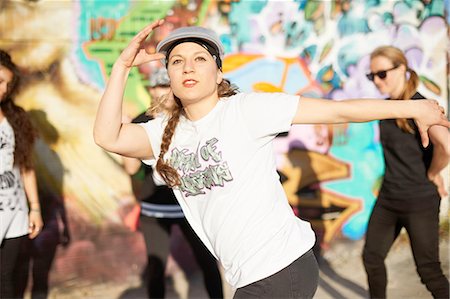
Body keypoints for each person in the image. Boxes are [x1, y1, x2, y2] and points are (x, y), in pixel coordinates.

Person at [93, 20, 449, 298]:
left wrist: (413, 106)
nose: (188, 67)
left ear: (218, 74)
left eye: (200, 59)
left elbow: (340, 111)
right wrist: (122, 67)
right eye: (177, 61)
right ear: (168, 75)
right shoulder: (161, 132)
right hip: (247, 275)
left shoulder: (246, 110)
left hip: (280, 268)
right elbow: (107, 136)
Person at [122, 66, 224, 298]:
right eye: (157, 86)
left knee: (207, 262)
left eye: (167, 86)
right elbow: (131, 169)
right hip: (154, 208)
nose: (162, 92)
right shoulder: (140, 121)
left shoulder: (190, 119)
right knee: (156, 269)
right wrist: (124, 133)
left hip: (190, 206)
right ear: (150, 90)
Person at [362, 46, 450, 299]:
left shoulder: (421, 106)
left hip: (419, 201)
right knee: (372, 257)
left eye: (382, 74)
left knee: (429, 271)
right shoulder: (388, 108)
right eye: (372, 76)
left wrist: (434, 172)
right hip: (389, 198)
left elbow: (446, 144)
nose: (377, 81)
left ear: (402, 68)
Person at [0, 49, 43, 298]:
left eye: (5, 82)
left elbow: (26, 166)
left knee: (6, 278)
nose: (2, 87)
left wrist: (35, 207)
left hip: (15, 213)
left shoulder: (16, 118)